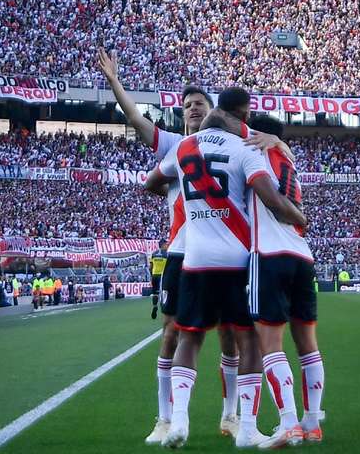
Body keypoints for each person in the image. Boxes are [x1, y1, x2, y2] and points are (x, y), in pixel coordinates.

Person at [99, 50, 251, 445]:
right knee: (172, 333)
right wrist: (115, 81)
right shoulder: (173, 145)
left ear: (212, 110)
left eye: (199, 104)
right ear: (181, 114)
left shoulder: (224, 145)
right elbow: (136, 120)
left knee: (229, 335)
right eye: (186, 106)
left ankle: (229, 415)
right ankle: (165, 419)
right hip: (181, 252)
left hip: (214, 251)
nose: (192, 110)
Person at [146, 86, 308, 448]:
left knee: (189, 337)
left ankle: (179, 423)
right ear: (242, 119)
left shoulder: (185, 148)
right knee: (246, 339)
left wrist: (190, 202)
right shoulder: (244, 149)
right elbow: (273, 201)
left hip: (195, 259)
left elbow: (151, 182)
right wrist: (301, 219)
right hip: (237, 260)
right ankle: (247, 429)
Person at [244, 115, 326, 446]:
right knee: (308, 345)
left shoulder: (254, 153)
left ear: (259, 134)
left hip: (269, 253)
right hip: (302, 256)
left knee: (270, 345)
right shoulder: (289, 160)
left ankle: (289, 422)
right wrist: (279, 142)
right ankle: (312, 424)